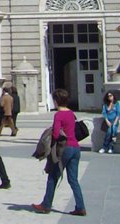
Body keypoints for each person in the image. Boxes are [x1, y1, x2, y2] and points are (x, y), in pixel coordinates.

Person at [32, 88, 86, 216]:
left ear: (56, 101)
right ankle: (81, 207)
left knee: (52, 177)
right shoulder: (71, 113)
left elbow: (56, 134)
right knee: (73, 180)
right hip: (75, 148)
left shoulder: (59, 115)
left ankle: (46, 205)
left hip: (65, 148)